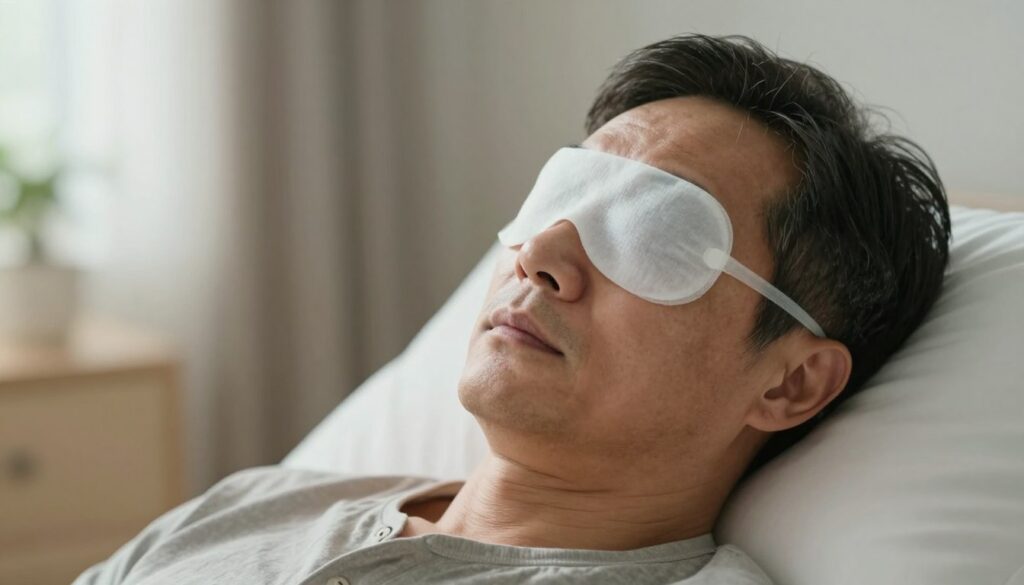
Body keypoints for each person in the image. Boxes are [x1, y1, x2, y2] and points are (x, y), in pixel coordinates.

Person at [74, 34, 951, 585]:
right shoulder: (256, 502)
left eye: (655, 231)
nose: (543, 255)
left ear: (792, 381)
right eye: (562, 194)